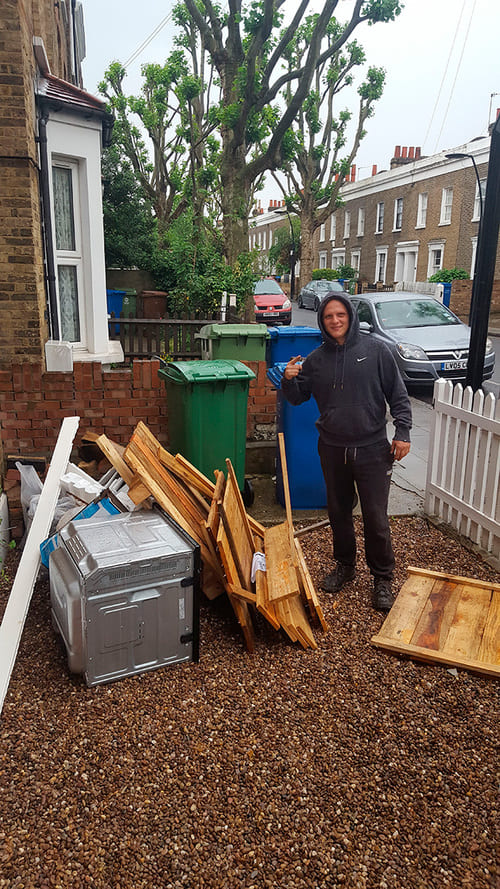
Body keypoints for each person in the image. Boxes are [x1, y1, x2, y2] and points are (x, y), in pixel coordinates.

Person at [282, 293, 412, 613]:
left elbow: (398, 395)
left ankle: (382, 578)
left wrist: (403, 433)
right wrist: (288, 381)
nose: (335, 321)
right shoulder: (315, 360)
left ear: (350, 317)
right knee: (338, 512)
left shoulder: (376, 351)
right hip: (332, 447)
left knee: (376, 518)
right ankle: (345, 565)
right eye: (329, 316)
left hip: (372, 448)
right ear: (322, 321)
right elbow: (298, 398)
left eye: (341, 314)